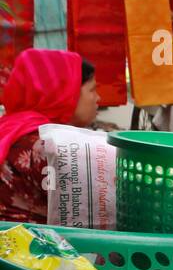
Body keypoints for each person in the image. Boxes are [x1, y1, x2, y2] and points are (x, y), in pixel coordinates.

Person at [0, 49, 99, 224]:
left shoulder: (12, 126)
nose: (98, 98)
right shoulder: (45, 145)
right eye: (92, 90)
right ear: (66, 93)